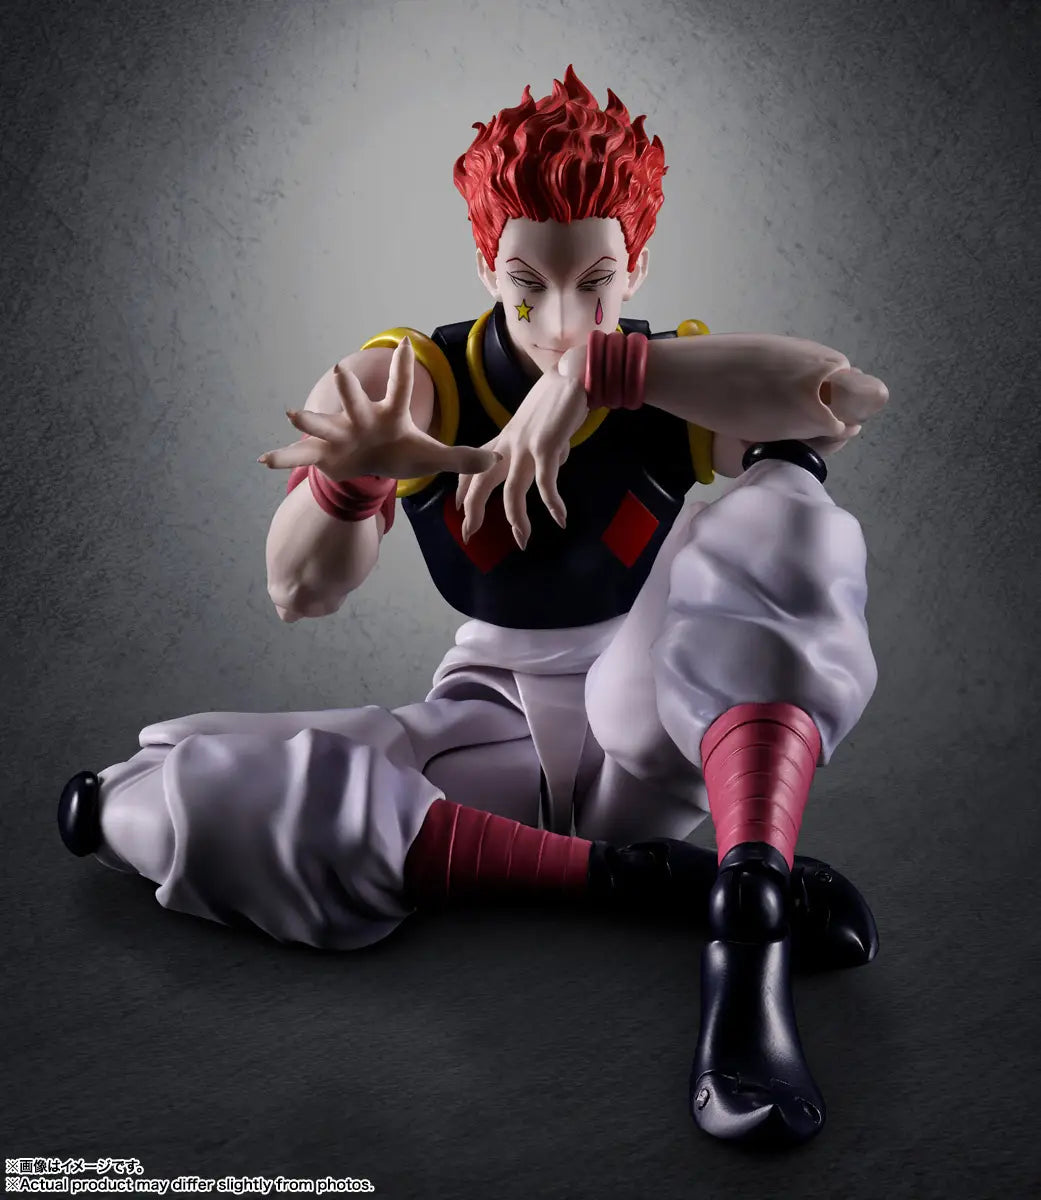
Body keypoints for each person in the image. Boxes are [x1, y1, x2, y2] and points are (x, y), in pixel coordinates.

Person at [59, 67, 887, 1147]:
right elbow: (298, 591)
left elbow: (840, 400)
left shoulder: (666, 374)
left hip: (653, 714)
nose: (561, 320)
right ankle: (655, 885)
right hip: (481, 739)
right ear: (485, 264)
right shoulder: (422, 378)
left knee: (786, 499)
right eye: (527, 286)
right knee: (139, 800)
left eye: (596, 284)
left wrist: (602, 373)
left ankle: (749, 918)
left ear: (636, 264)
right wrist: (352, 480)